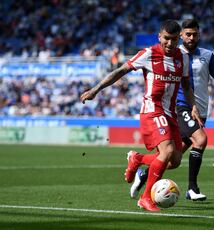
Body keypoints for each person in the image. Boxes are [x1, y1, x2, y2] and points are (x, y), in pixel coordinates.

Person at [80, 20, 202, 212]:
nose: (170, 44)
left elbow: (186, 86)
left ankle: (137, 159)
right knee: (167, 150)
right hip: (152, 110)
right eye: (166, 39)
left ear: (179, 38)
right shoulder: (149, 53)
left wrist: (193, 105)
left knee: (174, 161)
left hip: (171, 113)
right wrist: (96, 89)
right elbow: (121, 71)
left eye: (173, 39)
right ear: (159, 37)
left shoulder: (183, 58)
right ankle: (146, 198)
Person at [130, 19, 214, 201]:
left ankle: (142, 171)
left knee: (172, 160)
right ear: (181, 36)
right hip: (179, 107)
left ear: (199, 35)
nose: (191, 37)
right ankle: (192, 189)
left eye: (194, 34)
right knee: (201, 139)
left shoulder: (207, 55)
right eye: (187, 34)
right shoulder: (175, 54)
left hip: (199, 110)